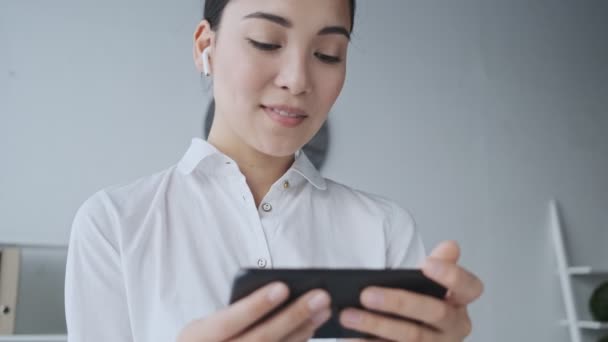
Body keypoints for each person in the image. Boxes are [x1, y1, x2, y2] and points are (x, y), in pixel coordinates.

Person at [65, 0, 483, 341]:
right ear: (204, 47)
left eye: (327, 54)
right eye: (266, 42)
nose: (298, 79)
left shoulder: (385, 229)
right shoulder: (114, 224)